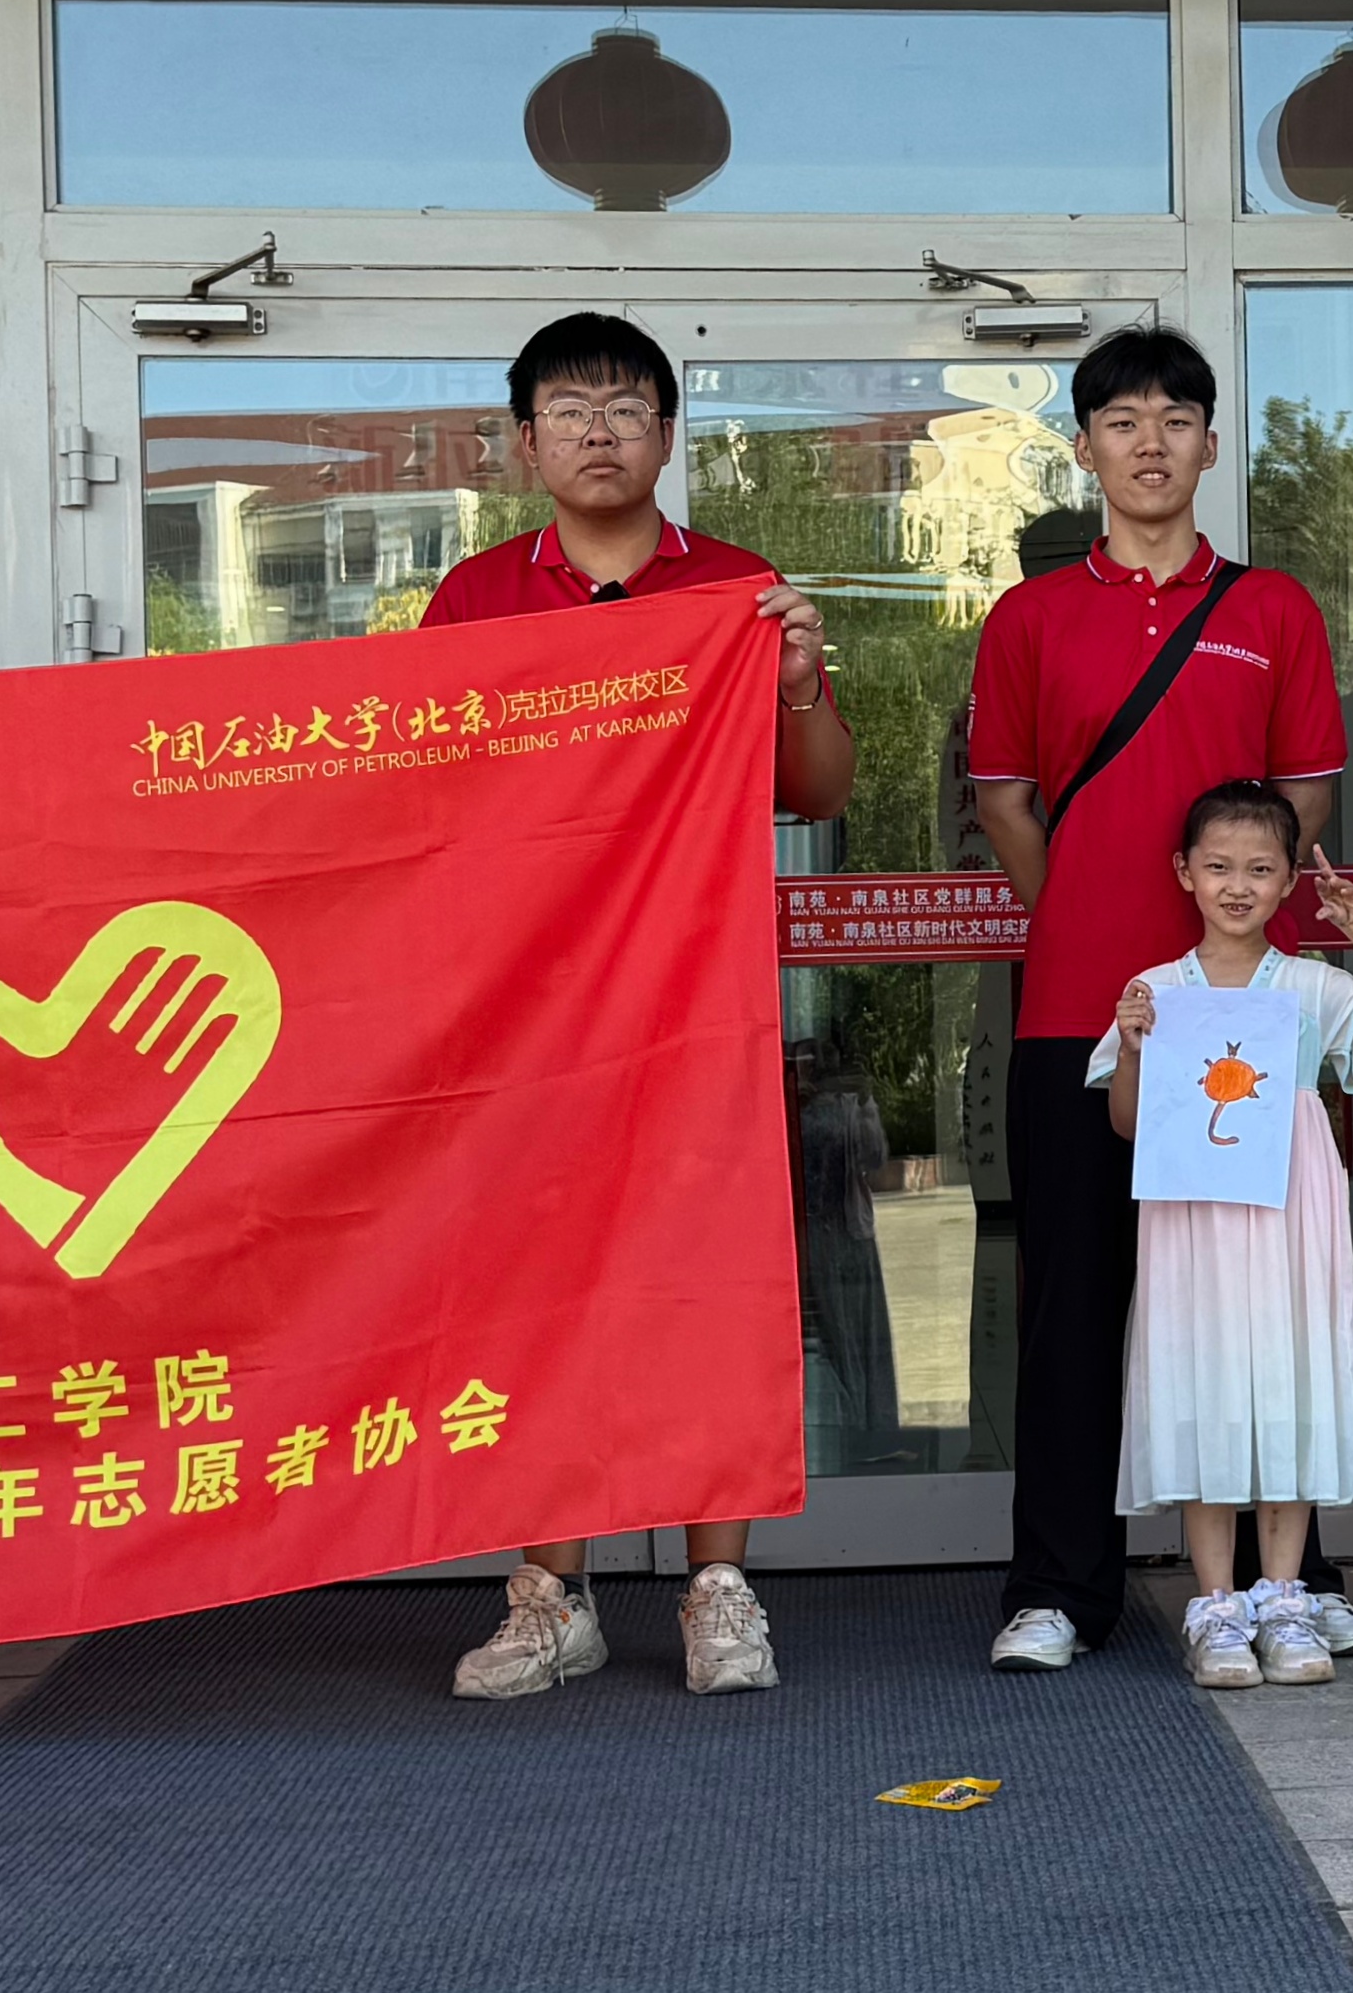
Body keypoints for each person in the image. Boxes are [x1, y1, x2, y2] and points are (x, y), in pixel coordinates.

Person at [412, 313, 855, 1703]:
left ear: (666, 433)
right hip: (531, 1004)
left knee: (709, 1278)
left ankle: (717, 1586)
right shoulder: (476, 599)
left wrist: (795, 684)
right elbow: (422, 800)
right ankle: (550, 1593)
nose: (597, 427)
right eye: (568, 406)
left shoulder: (736, 591)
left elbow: (817, 790)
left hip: (698, 993)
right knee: (541, 1291)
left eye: (623, 404)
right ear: (524, 441)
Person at [964, 324, 1353, 1672]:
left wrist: (1228, 939)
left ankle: (1289, 1581)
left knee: (1260, 1304)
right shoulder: (1030, 617)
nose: (1150, 442)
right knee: (1073, 1304)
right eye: (1121, 420)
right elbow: (1005, 800)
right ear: (1083, 446)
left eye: (1175, 418)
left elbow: (1303, 798)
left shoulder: (1272, 611)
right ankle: (1057, 1586)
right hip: (1079, 1009)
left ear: (1209, 443)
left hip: (1247, 1019)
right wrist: (1087, 912)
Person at [1101, 791, 1353, 1689]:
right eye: (1218, 866)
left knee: (1287, 1383)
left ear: (1288, 881)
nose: (1237, 885)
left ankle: (1284, 1599)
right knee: (1204, 1383)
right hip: (1194, 1219)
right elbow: (1126, 1123)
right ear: (1184, 873)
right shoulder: (1158, 990)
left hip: (1289, 1212)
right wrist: (1130, 1047)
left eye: (1259, 869)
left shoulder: (1306, 984)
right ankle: (1215, 1605)